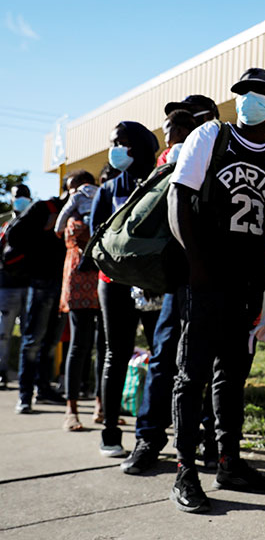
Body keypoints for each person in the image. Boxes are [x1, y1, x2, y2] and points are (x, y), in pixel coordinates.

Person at [168, 68, 265, 513]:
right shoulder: (211, 136)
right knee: (192, 373)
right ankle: (185, 469)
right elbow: (179, 199)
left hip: (247, 281)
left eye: (260, 94)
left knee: (233, 374)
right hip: (206, 279)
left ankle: (229, 462)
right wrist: (196, 263)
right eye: (244, 92)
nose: (250, 100)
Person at [121, 99, 216, 476]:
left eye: (191, 123)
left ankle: (212, 441)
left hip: (216, 277)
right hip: (178, 278)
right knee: (162, 361)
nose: (178, 134)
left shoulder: (223, 154)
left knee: (209, 366)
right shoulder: (170, 162)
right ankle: (149, 438)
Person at [90, 121, 159, 455]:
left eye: (122, 141)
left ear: (141, 144)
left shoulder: (160, 182)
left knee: (163, 356)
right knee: (116, 353)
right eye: (112, 142)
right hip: (114, 285)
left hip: (154, 284)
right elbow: (96, 244)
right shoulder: (108, 190)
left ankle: (152, 430)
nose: (115, 148)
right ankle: (110, 431)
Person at [9, 185, 68, 413]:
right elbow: (15, 235)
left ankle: (44, 389)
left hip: (63, 285)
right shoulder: (44, 208)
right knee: (33, 340)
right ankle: (25, 395)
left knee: (51, 342)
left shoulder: (78, 211)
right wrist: (44, 230)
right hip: (42, 283)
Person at [57, 171, 101, 431]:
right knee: (78, 345)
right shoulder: (71, 213)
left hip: (101, 278)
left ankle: (101, 405)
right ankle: (71, 409)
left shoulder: (97, 202)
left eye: (74, 187)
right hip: (77, 280)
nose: (72, 193)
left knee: (104, 347)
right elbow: (65, 231)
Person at [0, 184, 33, 390]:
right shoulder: (5, 223)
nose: (20, 199)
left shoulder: (35, 221)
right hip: (7, 286)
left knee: (30, 336)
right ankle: (2, 372)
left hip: (30, 286)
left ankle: (28, 377)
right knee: (4, 333)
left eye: (24, 196)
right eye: (16, 196)